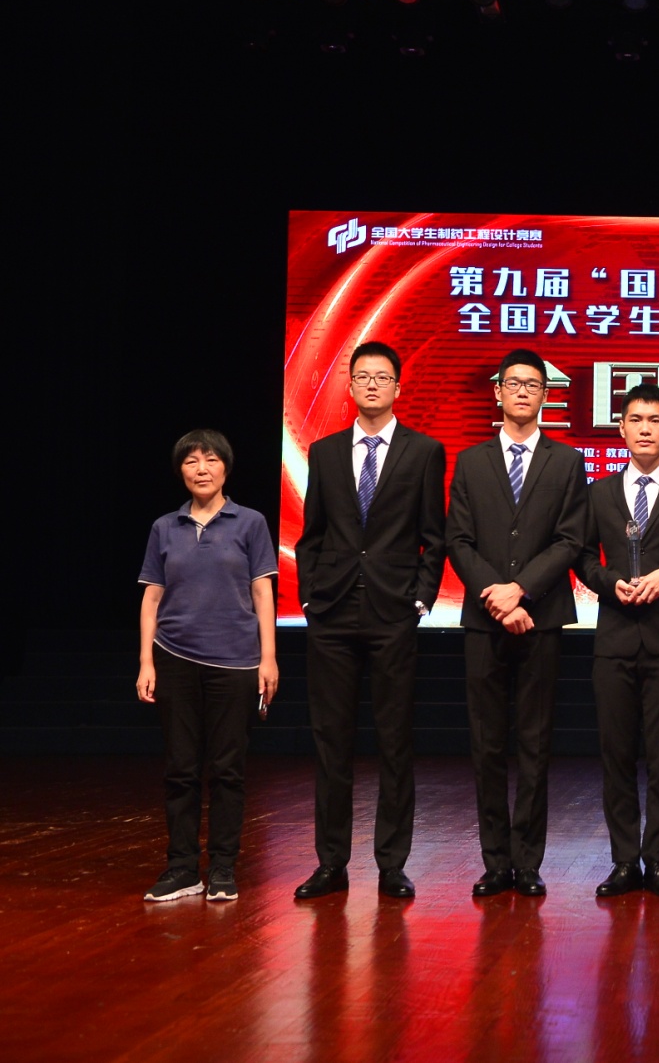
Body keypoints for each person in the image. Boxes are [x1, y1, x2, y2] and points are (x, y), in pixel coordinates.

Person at [294, 341, 447, 901]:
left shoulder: (424, 451)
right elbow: (311, 535)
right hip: (332, 613)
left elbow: (434, 536)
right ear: (351, 386)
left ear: (398, 387)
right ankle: (331, 863)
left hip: (392, 613)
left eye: (383, 377)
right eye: (363, 376)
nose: (373, 384)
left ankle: (391, 864)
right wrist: (310, 599)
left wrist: (420, 600)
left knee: (394, 742)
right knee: (331, 741)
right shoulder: (325, 451)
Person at [448, 348, 588, 898]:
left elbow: (570, 540)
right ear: (498, 392)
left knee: (534, 743)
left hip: (542, 617)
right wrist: (498, 597)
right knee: (486, 745)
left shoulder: (567, 461)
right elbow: (459, 540)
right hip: (486, 620)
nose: (523, 391)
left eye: (533, 384)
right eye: (514, 383)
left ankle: (527, 862)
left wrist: (522, 590)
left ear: (546, 396)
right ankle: (495, 862)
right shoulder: (471, 461)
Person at [575, 384, 659, 899]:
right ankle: (622, 861)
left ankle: (658, 861)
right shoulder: (599, 492)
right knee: (615, 756)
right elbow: (582, 556)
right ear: (621, 428)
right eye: (636, 419)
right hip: (614, 637)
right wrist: (609, 582)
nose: (645, 428)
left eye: (655, 420)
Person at [137, 429, 278, 902]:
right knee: (180, 768)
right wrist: (145, 661)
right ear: (180, 471)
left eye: (211, 459)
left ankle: (222, 867)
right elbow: (151, 597)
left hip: (236, 661)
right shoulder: (164, 527)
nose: (201, 469)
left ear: (226, 468)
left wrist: (268, 658)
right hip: (174, 656)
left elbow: (262, 592)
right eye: (191, 461)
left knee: (227, 769)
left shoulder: (250, 522)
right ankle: (181, 868)